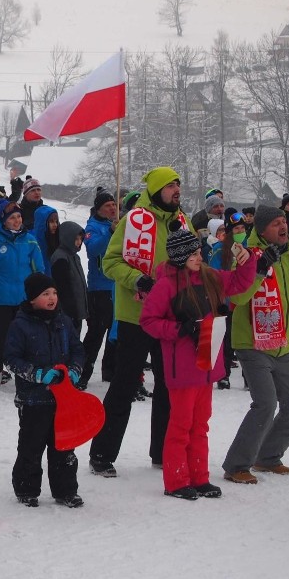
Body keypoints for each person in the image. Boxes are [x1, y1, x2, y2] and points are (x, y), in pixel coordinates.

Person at [140, 222, 256, 500]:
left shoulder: (209, 276)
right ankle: (176, 481)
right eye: (192, 253)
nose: (199, 256)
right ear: (180, 257)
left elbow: (240, 282)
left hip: (206, 363)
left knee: (201, 424)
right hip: (182, 367)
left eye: (198, 251)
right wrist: (179, 330)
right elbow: (148, 321)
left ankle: (199, 477)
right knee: (180, 425)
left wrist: (249, 260)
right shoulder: (166, 285)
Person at [90, 167, 192, 477]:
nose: (177, 189)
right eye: (171, 184)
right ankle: (102, 454)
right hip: (136, 316)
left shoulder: (182, 221)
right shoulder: (135, 220)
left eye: (179, 184)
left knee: (167, 385)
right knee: (124, 384)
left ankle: (162, 451)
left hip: (171, 316)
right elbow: (109, 262)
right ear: (158, 189)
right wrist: (139, 280)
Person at [222, 205, 289, 484]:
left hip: (282, 345)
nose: (283, 226)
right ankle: (237, 465)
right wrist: (259, 268)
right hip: (252, 344)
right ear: (261, 230)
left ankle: (268, 457)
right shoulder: (247, 255)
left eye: (284, 221)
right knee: (265, 403)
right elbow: (238, 297)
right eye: (275, 223)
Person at [4, 272, 85, 508]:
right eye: (45, 294)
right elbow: (11, 359)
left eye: (54, 293)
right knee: (31, 446)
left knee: (64, 446)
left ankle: (66, 490)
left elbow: (78, 349)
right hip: (34, 400)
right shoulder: (20, 325)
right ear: (32, 299)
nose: (52, 298)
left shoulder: (64, 321)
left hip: (63, 400)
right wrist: (37, 374)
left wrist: (75, 369)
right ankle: (27, 489)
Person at [0, 199, 44, 392]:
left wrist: (38, 295)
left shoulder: (30, 241)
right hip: (0, 299)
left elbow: (38, 270)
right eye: (12, 218)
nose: (16, 221)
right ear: (3, 220)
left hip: (24, 300)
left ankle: (28, 374)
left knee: (28, 338)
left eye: (19, 217)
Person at [81, 188, 118, 388]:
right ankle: (82, 372)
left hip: (116, 285)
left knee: (115, 330)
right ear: (99, 209)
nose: (112, 208)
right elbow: (93, 248)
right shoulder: (93, 226)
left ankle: (110, 371)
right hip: (99, 287)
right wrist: (111, 232)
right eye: (107, 206)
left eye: (113, 204)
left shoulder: (118, 224)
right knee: (96, 332)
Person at [209, 212, 249, 389]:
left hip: (247, 300)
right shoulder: (219, 249)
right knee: (226, 340)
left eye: (242, 228)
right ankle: (223, 375)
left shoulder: (251, 247)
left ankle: (249, 377)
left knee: (247, 340)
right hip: (227, 302)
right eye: (236, 229)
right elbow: (214, 276)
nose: (240, 231)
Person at [50, 220, 88, 336]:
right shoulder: (60, 257)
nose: (79, 242)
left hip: (76, 312)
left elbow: (80, 283)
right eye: (76, 239)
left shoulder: (74, 256)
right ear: (67, 238)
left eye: (81, 239)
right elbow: (63, 288)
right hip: (67, 313)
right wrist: (71, 312)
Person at [32, 205, 59, 275]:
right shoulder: (31, 241)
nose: (55, 225)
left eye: (56, 221)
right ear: (42, 223)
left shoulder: (57, 241)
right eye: (51, 221)